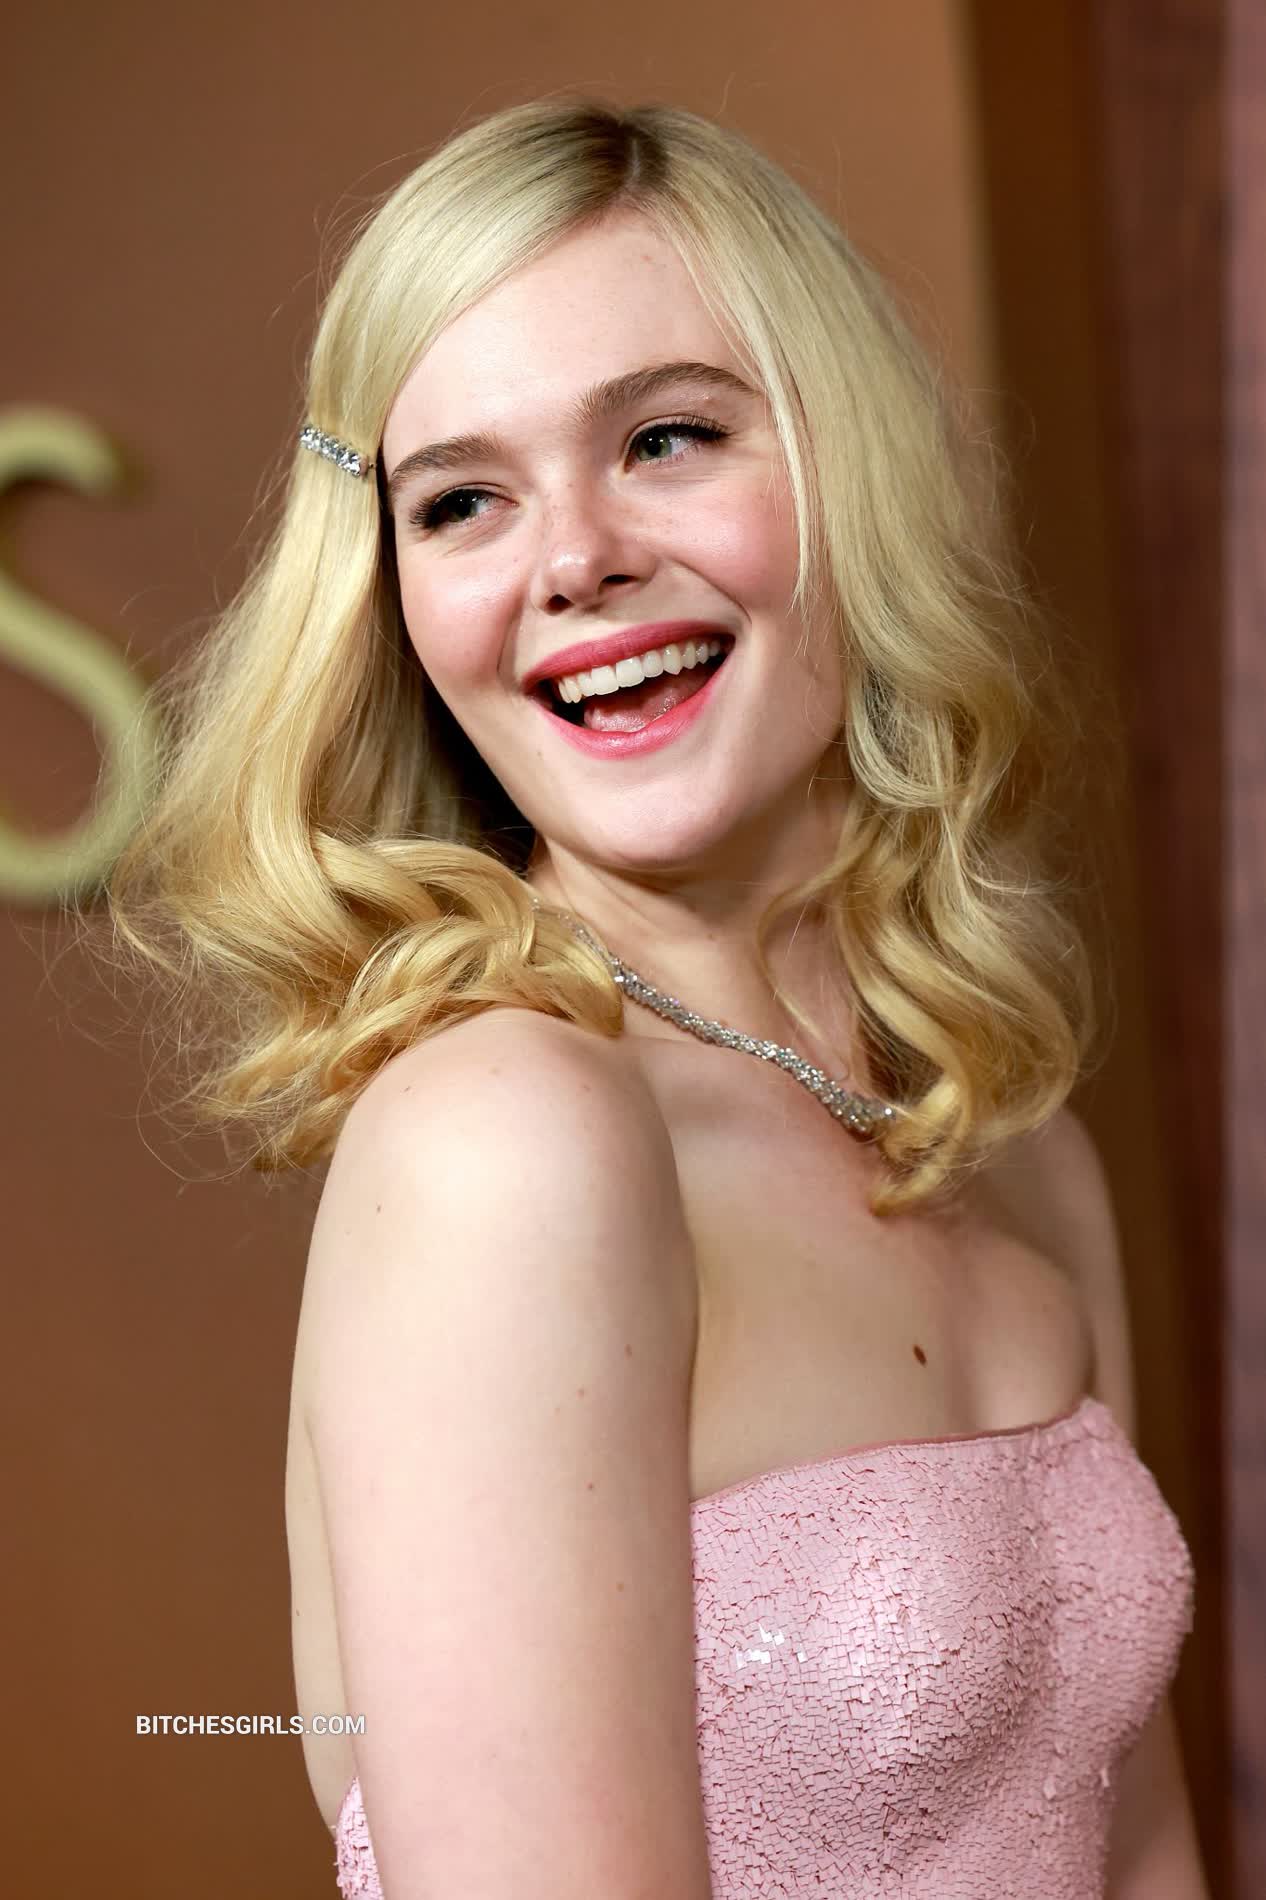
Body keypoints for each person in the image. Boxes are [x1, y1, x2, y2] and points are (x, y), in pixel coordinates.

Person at [96, 96, 1207, 1899]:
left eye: (666, 438)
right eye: (461, 499)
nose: (573, 559)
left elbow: (1136, 1848)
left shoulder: (1015, 1150)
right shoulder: (504, 1140)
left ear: (847, 463)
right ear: (393, 602)